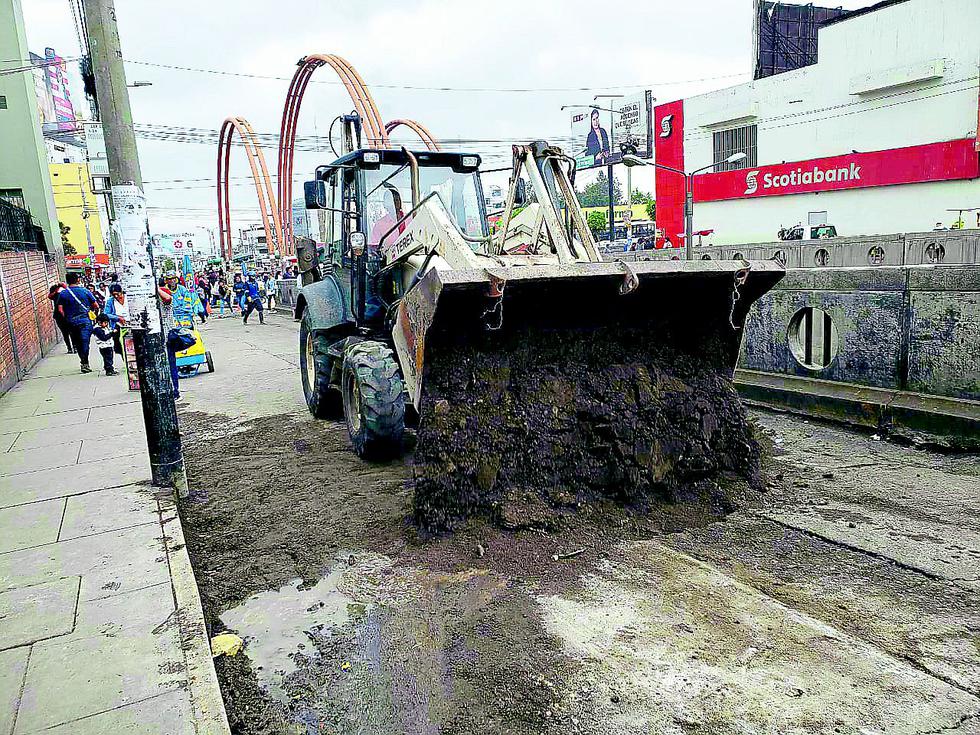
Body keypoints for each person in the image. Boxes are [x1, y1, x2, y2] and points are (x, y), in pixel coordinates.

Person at [55, 272, 99, 373]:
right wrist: (93, 315)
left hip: (71, 322)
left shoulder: (63, 294)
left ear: (67, 281)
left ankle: (83, 362)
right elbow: (96, 305)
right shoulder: (85, 291)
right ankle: (85, 362)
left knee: (78, 343)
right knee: (85, 342)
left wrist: (67, 318)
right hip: (85, 321)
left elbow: (60, 310)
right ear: (78, 280)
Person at [158, 274, 181, 399]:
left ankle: (175, 391)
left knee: (171, 365)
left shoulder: (166, 302)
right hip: (158, 339)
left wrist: (156, 289)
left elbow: (168, 298)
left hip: (167, 338)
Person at [48, 283, 74, 353]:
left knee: (69, 332)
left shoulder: (65, 293)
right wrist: (58, 289)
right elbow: (50, 296)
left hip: (65, 315)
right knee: (67, 333)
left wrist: (62, 286)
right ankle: (70, 348)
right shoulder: (57, 294)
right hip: (62, 316)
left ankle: (72, 348)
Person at [104, 283, 130, 354]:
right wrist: (118, 318)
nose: (116, 296)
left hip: (132, 324)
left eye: (117, 294)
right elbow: (106, 314)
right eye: (113, 295)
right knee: (120, 345)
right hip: (118, 326)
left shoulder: (129, 298)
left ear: (121, 291)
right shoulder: (110, 301)